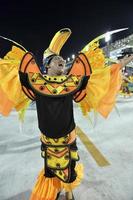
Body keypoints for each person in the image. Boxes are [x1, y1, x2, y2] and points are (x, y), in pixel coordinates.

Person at [0, 28, 133, 200]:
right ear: (47, 65)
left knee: (70, 168)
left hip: (68, 136)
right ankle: (54, 191)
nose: (62, 60)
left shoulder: (72, 82)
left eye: (63, 59)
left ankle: (69, 192)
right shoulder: (35, 81)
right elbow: (9, 78)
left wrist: (122, 63)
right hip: (47, 139)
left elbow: (101, 77)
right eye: (57, 59)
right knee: (50, 169)